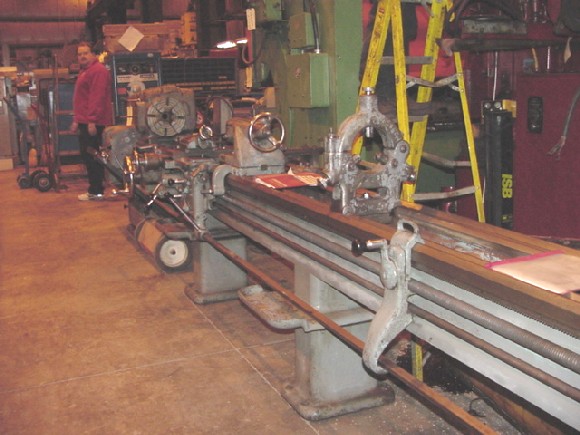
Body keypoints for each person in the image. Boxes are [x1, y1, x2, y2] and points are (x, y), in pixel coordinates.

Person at [70, 41, 113, 201]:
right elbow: (82, 99)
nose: (82, 56)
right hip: (86, 120)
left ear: (93, 54)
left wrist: (92, 121)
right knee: (88, 155)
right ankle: (95, 189)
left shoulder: (98, 71)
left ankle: (96, 191)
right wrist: (77, 119)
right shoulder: (85, 71)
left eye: (85, 53)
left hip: (94, 122)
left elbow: (97, 97)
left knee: (92, 156)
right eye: (79, 54)